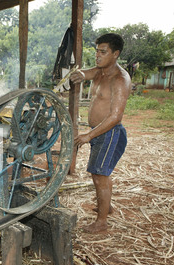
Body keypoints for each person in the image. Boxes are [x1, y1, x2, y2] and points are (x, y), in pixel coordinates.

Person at [70, 33, 131, 234]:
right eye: (97, 51)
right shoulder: (100, 71)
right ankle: (107, 207)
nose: (98, 55)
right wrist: (76, 74)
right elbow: (85, 73)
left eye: (103, 52)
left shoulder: (119, 80)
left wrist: (89, 135)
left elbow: (115, 117)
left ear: (115, 54)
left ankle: (102, 221)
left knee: (100, 176)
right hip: (99, 133)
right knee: (99, 172)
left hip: (109, 133)